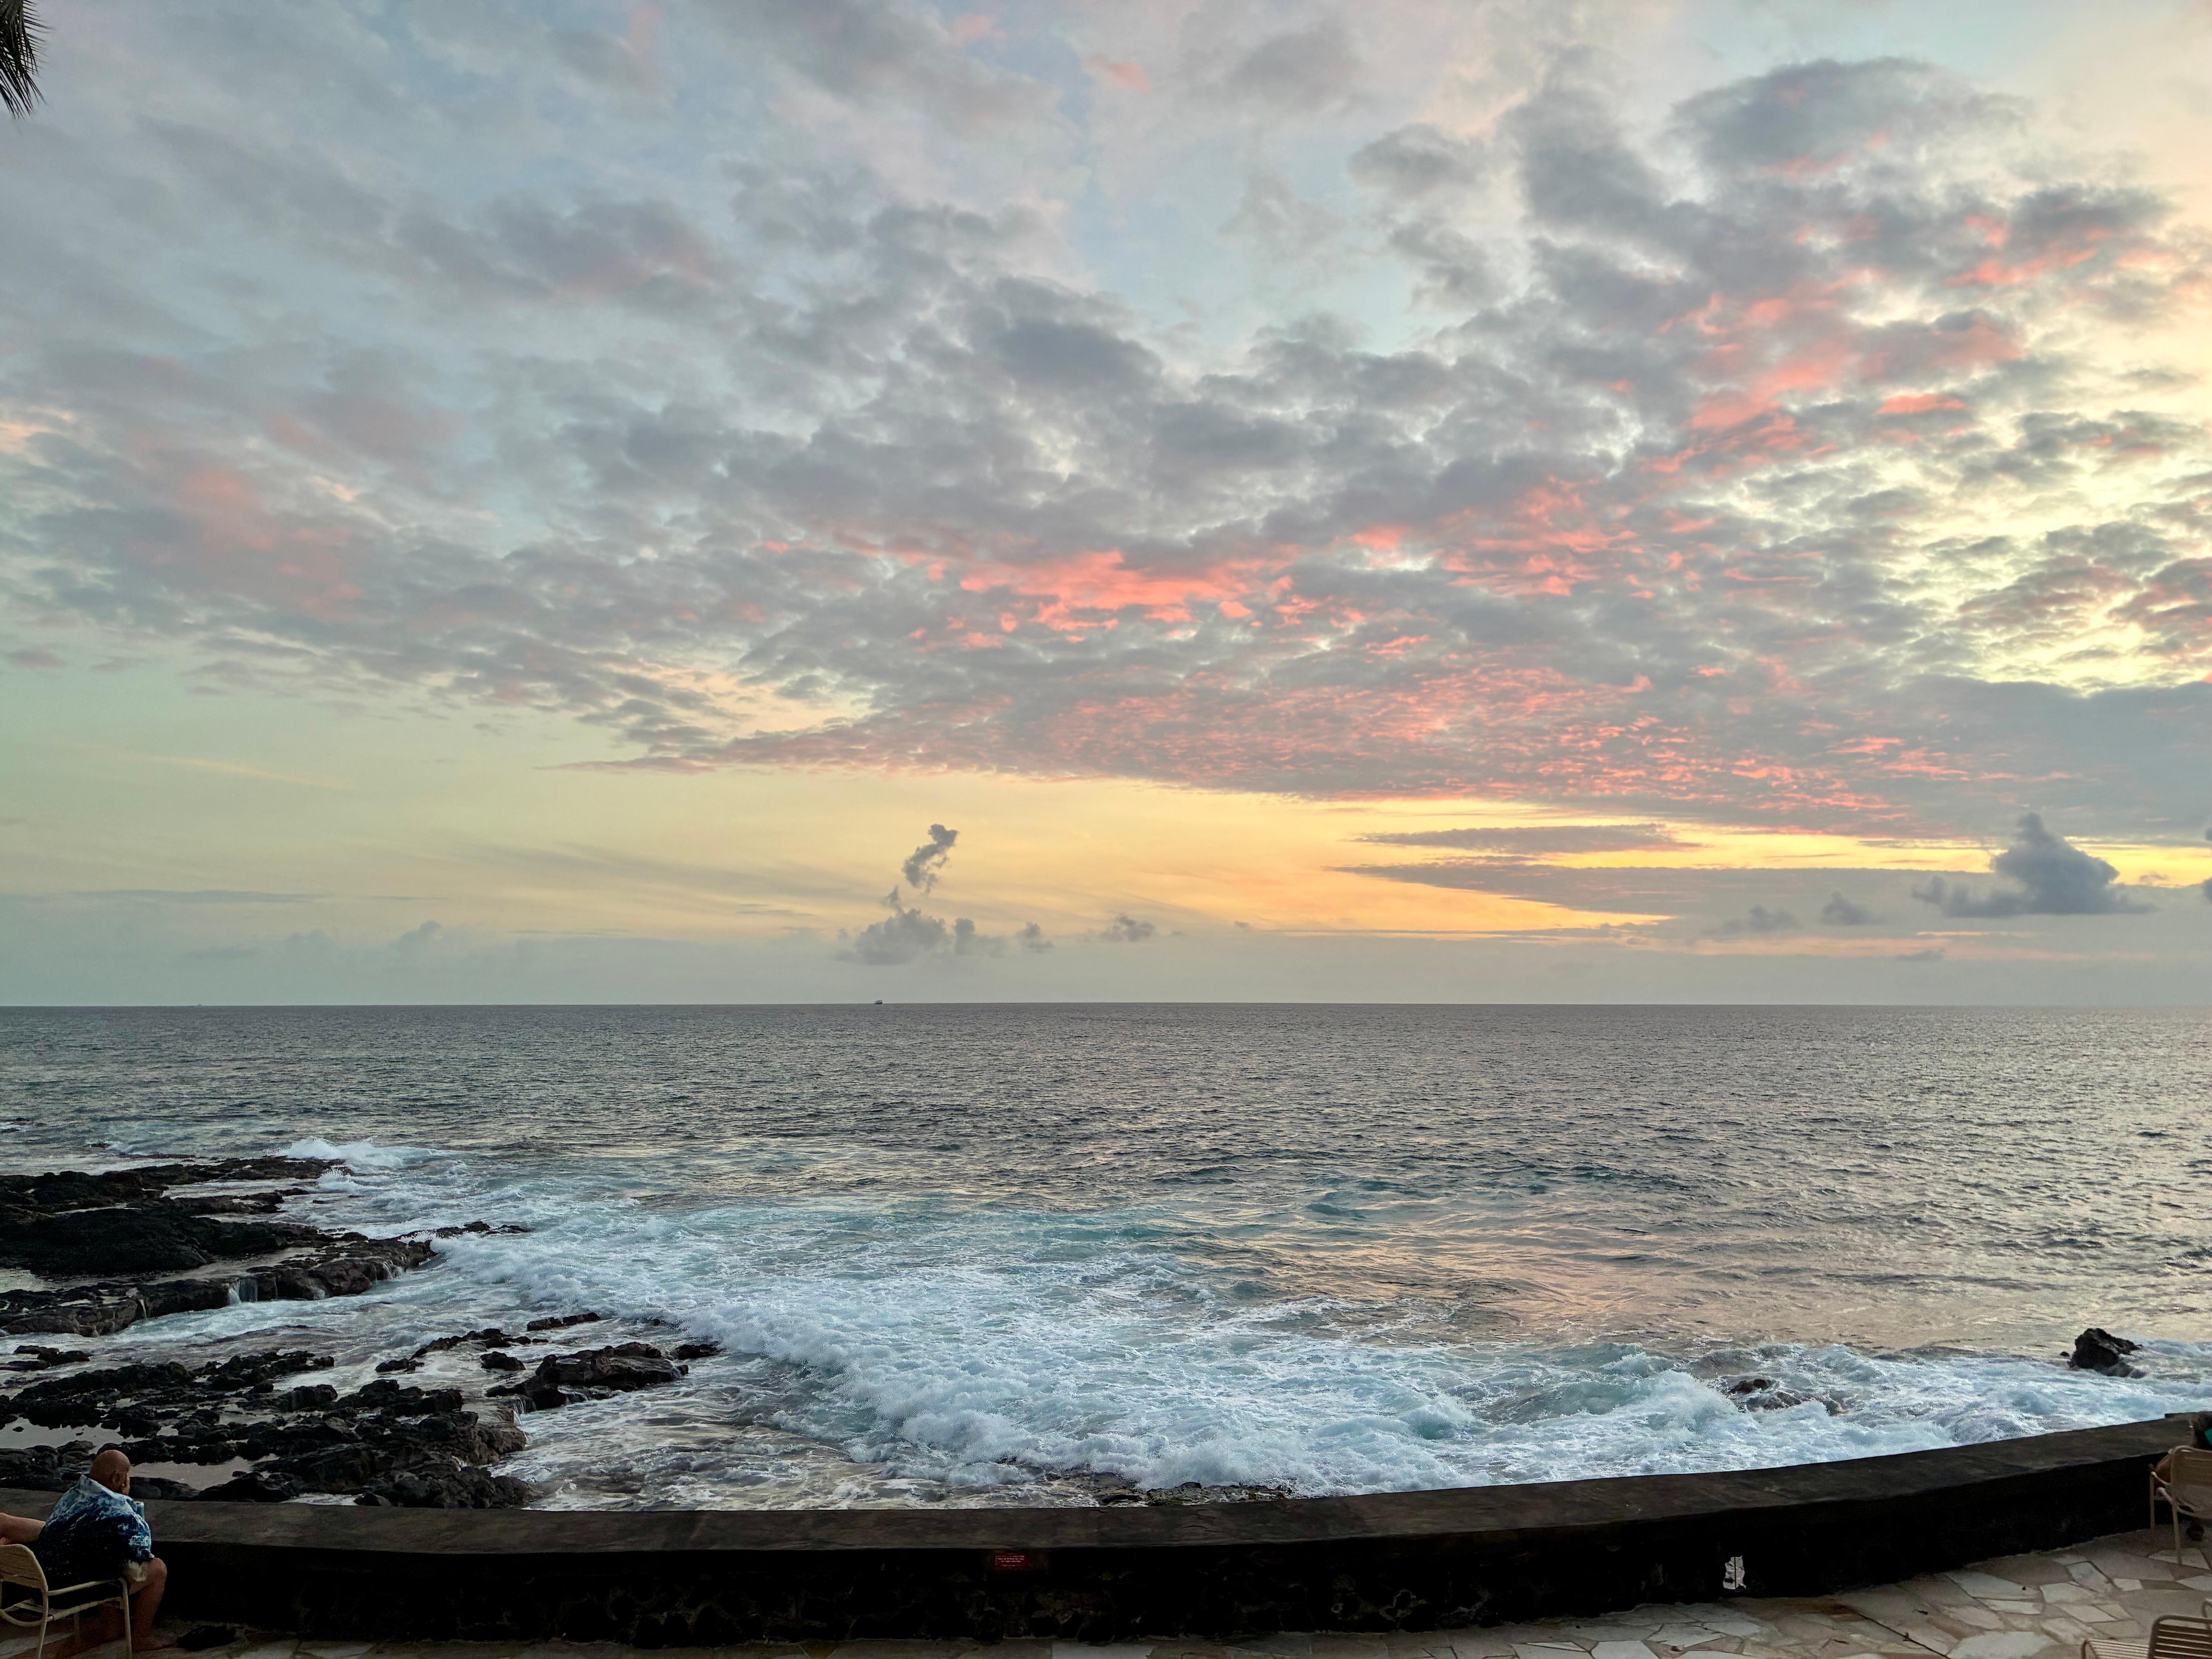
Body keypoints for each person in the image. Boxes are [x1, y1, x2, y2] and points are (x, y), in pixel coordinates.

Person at [30, 1448, 171, 1655]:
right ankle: (142, 1637)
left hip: (42, 1584)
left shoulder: (71, 1496)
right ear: (118, 1479)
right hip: (69, 1593)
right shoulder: (118, 1510)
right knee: (157, 1569)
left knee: (105, 1558)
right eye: (128, 1476)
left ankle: (110, 1629)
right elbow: (142, 1552)